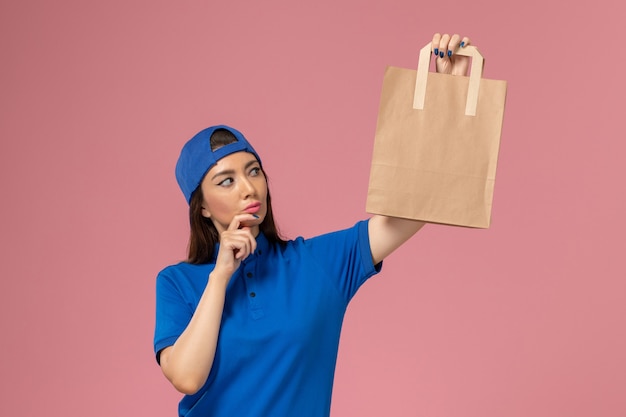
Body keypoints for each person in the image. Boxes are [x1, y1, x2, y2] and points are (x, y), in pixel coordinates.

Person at [154, 33, 472, 417]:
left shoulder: (317, 263)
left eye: (254, 171)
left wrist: (444, 98)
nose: (248, 187)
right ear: (202, 207)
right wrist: (220, 276)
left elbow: (418, 205)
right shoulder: (177, 283)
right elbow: (187, 377)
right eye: (226, 180)